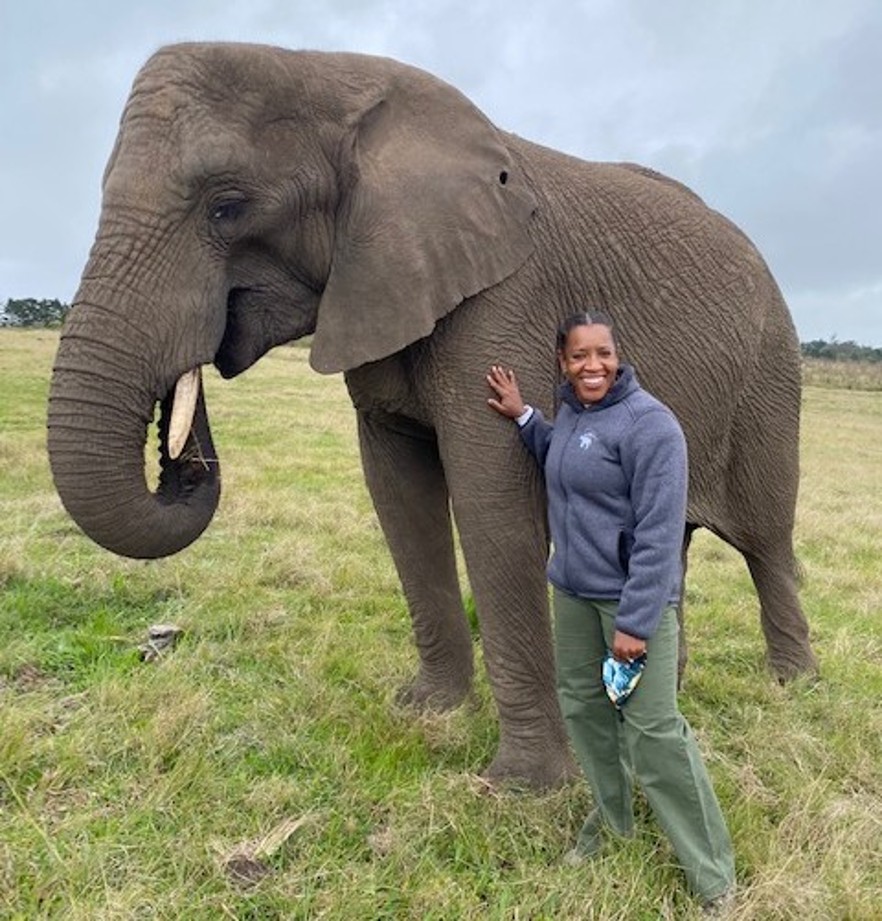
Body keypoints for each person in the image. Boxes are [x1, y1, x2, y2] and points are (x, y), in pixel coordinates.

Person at [486, 311, 735, 910]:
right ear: (562, 362)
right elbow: (564, 457)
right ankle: (612, 822)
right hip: (571, 594)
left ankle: (713, 876)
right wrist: (525, 417)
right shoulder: (573, 412)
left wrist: (635, 622)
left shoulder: (652, 426)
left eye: (601, 354)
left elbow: (658, 533)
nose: (591, 366)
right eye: (578, 356)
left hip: (631, 605)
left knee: (653, 733)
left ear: (618, 355)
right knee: (585, 711)